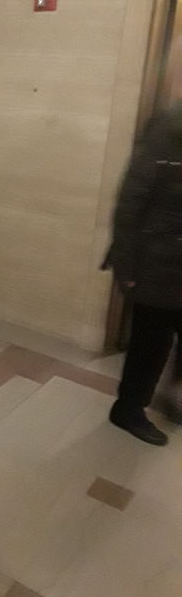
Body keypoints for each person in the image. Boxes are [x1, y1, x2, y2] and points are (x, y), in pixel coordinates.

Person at [107, 101, 182, 446]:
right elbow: (130, 200)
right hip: (157, 261)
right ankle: (129, 409)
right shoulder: (167, 129)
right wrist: (126, 266)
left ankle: (172, 398)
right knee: (151, 342)